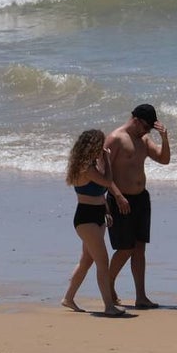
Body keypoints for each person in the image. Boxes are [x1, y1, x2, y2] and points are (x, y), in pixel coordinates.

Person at [105, 103, 171, 309]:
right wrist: (117, 196)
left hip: (141, 199)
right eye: (146, 126)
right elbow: (103, 173)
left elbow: (164, 159)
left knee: (140, 248)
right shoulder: (116, 138)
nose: (147, 131)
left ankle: (141, 296)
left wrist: (165, 138)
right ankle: (107, 284)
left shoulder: (143, 139)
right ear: (136, 119)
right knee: (125, 248)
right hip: (120, 200)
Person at [62, 129, 128, 316]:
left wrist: (106, 209)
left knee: (86, 261)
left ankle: (68, 298)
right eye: (100, 145)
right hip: (86, 218)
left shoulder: (91, 165)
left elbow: (99, 193)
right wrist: (106, 159)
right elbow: (107, 182)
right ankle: (108, 306)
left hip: (99, 214)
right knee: (102, 261)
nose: (102, 148)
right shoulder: (86, 168)